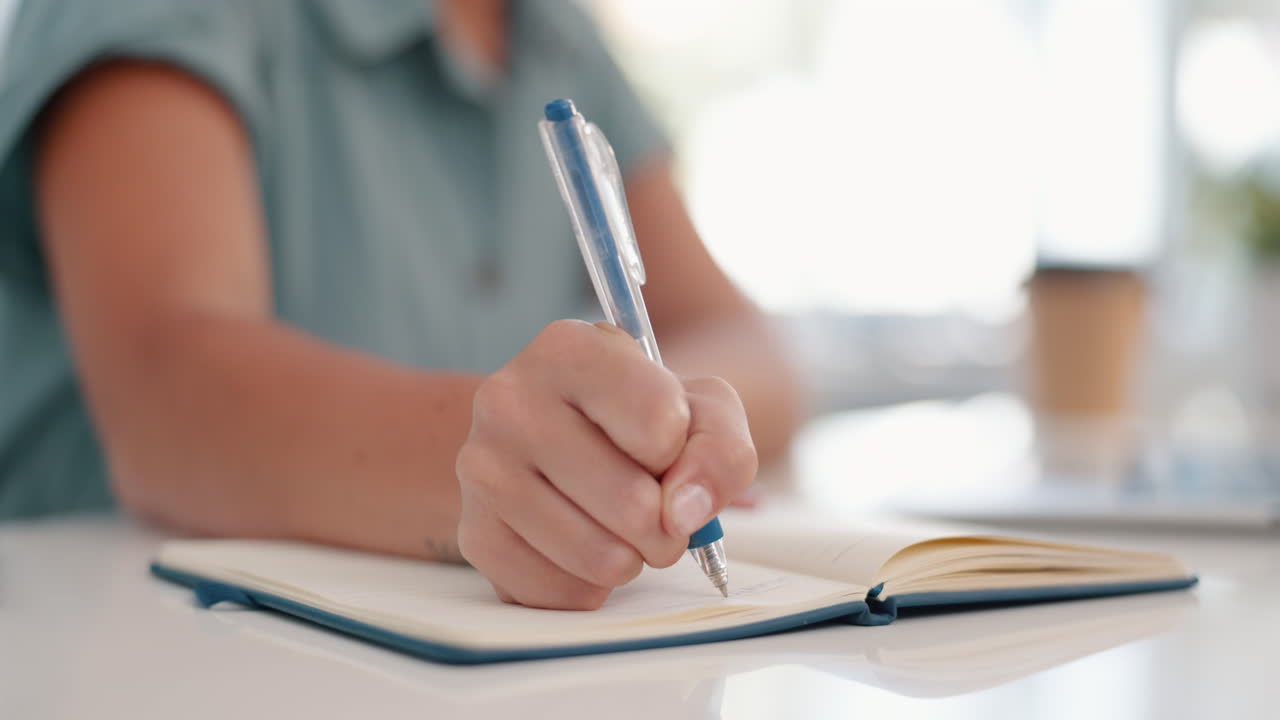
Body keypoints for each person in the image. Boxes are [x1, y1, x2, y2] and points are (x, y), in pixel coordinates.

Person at [0, 0, 801, 609]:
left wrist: (655, 427)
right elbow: (165, 395)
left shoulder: (551, 28)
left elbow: (746, 344)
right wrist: (513, 455)